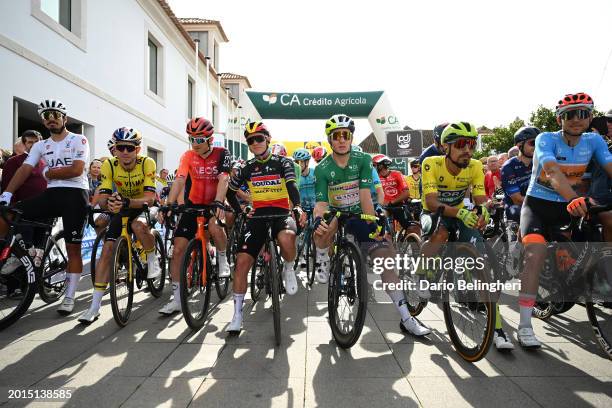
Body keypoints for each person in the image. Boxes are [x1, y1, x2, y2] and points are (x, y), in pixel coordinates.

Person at [313, 114, 430, 336]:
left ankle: (407, 317)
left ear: (350, 137)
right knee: (320, 232)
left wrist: (373, 225)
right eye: (336, 136)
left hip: (360, 212)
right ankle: (322, 259)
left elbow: (366, 195)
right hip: (337, 212)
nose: (341, 140)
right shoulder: (322, 169)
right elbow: (320, 203)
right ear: (329, 139)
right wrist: (319, 219)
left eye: (345, 135)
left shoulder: (363, 160)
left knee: (386, 262)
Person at [518, 92, 612, 348]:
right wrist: (572, 197)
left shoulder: (594, 140)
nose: (576, 119)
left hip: (570, 205)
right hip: (538, 206)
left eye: (582, 113)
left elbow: (609, 166)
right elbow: (552, 172)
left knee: (604, 222)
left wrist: (573, 200)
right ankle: (524, 324)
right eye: (569, 114)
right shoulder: (545, 139)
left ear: (590, 117)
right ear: (560, 118)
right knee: (535, 253)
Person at [419, 122, 514, 350]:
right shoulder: (431, 163)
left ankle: (498, 330)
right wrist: (459, 211)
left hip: (460, 215)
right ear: (445, 148)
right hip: (433, 212)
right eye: (461, 144)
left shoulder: (473, 167)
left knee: (480, 261)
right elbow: (431, 201)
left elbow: (480, 197)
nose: (467, 150)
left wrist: (482, 209)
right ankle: (422, 273)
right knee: (440, 233)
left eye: (471, 144)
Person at [0, 99, 90, 315]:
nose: (51, 120)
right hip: (51, 194)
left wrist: (49, 173)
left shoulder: (80, 139)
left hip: (75, 195)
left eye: (56, 116)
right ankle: (11, 252)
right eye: (47, 117)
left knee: (73, 248)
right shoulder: (41, 145)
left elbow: (77, 170)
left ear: (64, 118)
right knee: (8, 214)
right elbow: (24, 169)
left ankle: (69, 296)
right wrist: (7, 193)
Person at [225, 121, 306, 333]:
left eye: (259, 138)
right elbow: (229, 193)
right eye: (251, 140)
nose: (255, 143)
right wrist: (242, 210)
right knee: (242, 262)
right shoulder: (246, 168)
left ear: (268, 139)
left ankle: (289, 268)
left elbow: (291, 185)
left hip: (281, 213)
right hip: (258, 216)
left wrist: (296, 206)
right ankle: (237, 315)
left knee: (287, 238)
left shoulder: (283, 162)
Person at [78, 127, 160, 323]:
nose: (124, 152)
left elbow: (150, 197)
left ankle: (151, 258)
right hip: (121, 207)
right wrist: (106, 204)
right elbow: (104, 194)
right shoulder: (110, 165)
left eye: (129, 148)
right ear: (114, 148)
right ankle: (94, 307)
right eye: (120, 147)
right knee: (107, 250)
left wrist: (127, 202)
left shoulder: (147, 163)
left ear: (137, 150)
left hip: (143, 205)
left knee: (138, 226)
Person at [158, 118, 232, 316]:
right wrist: (169, 204)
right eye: (192, 139)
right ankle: (177, 299)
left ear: (210, 139)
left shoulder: (222, 153)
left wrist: (218, 202)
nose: (195, 143)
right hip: (193, 205)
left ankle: (223, 260)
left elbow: (224, 178)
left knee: (215, 228)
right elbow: (180, 179)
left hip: (214, 202)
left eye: (199, 139)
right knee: (178, 249)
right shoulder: (188, 155)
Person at [500, 127, 539, 224]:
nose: (537, 147)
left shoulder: (540, 162)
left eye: (539, 143)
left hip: (536, 203)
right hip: (515, 207)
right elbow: (517, 199)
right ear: (519, 145)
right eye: (533, 143)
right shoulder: (508, 167)